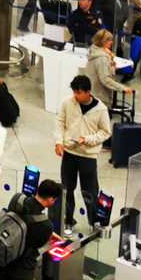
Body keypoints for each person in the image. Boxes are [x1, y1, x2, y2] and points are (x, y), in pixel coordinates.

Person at [55, 74, 112, 232]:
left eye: (79, 92)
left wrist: (88, 139)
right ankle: (67, 220)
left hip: (88, 156)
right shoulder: (68, 103)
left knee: (90, 191)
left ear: (88, 92)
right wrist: (58, 142)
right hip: (69, 153)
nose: (76, 95)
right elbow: (60, 122)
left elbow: (105, 132)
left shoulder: (101, 110)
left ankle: (94, 222)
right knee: (67, 189)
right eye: (74, 92)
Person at [85, 29, 125, 111]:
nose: (111, 42)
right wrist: (123, 88)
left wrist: (111, 61)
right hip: (99, 98)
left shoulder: (94, 51)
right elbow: (105, 79)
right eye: (109, 40)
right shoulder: (102, 58)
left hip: (92, 94)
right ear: (102, 41)